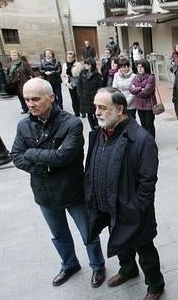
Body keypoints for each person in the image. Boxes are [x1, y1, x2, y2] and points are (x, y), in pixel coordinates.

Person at [10, 78, 106, 288]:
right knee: (59, 234)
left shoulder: (71, 123)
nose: (30, 104)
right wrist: (46, 163)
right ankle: (69, 264)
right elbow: (16, 156)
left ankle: (97, 266)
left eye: (35, 99)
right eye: (27, 99)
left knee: (88, 232)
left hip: (72, 191)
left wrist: (32, 154)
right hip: (44, 193)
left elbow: (64, 157)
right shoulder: (24, 125)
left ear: (51, 97)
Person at [85, 87, 165, 300]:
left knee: (144, 248)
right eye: (96, 107)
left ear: (120, 109)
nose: (97, 112)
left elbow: (148, 182)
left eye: (102, 107)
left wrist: (136, 207)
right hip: (108, 205)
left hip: (134, 209)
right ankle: (128, 269)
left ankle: (155, 285)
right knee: (119, 240)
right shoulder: (98, 134)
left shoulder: (141, 139)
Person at [129, 59, 157, 138]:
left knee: (149, 125)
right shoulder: (135, 77)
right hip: (139, 105)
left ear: (146, 67)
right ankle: (145, 142)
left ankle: (151, 142)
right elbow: (130, 89)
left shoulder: (150, 78)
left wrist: (136, 89)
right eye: (138, 67)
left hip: (149, 106)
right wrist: (140, 88)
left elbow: (146, 91)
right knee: (143, 124)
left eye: (141, 67)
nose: (139, 68)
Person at [77, 58, 102, 129]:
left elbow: (99, 86)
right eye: (85, 64)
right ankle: (92, 128)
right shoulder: (82, 73)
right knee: (89, 114)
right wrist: (80, 94)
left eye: (88, 64)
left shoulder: (97, 75)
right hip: (85, 97)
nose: (86, 65)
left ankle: (98, 128)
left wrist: (98, 95)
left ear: (92, 65)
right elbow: (79, 84)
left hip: (94, 97)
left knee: (96, 113)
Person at [6, 49, 33, 114]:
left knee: (26, 96)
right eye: (12, 55)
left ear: (18, 56)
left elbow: (30, 72)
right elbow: (8, 74)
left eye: (15, 55)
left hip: (24, 82)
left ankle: (30, 108)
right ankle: (24, 109)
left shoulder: (23, 64)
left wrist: (32, 79)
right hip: (15, 83)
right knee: (20, 96)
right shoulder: (9, 65)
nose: (14, 56)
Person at [64, 51, 82, 117]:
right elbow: (63, 75)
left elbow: (80, 74)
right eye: (68, 57)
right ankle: (76, 112)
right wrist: (66, 82)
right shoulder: (65, 65)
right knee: (73, 98)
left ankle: (82, 111)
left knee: (78, 98)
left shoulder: (78, 64)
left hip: (77, 82)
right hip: (70, 83)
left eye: (70, 57)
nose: (69, 58)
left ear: (74, 58)